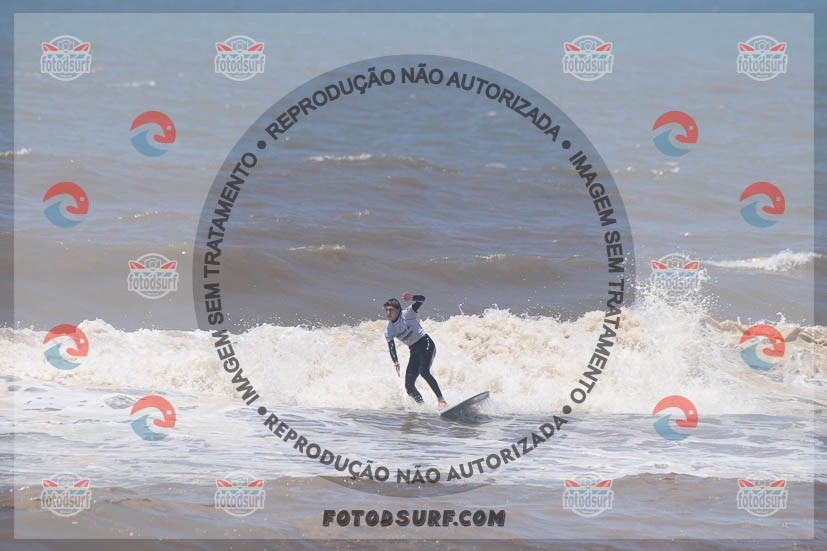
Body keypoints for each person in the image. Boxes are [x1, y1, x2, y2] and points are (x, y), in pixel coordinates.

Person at [383, 292, 448, 410]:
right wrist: (395, 361)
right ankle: (423, 407)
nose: (388, 313)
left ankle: (442, 401)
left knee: (424, 371)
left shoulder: (407, 314)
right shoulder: (389, 329)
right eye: (386, 310)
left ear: (398, 310)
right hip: (414, 351)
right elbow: (391, 346)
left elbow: (422, 299)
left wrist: (413, 298)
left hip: (426, 344)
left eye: (390, 310)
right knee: (409, 386)